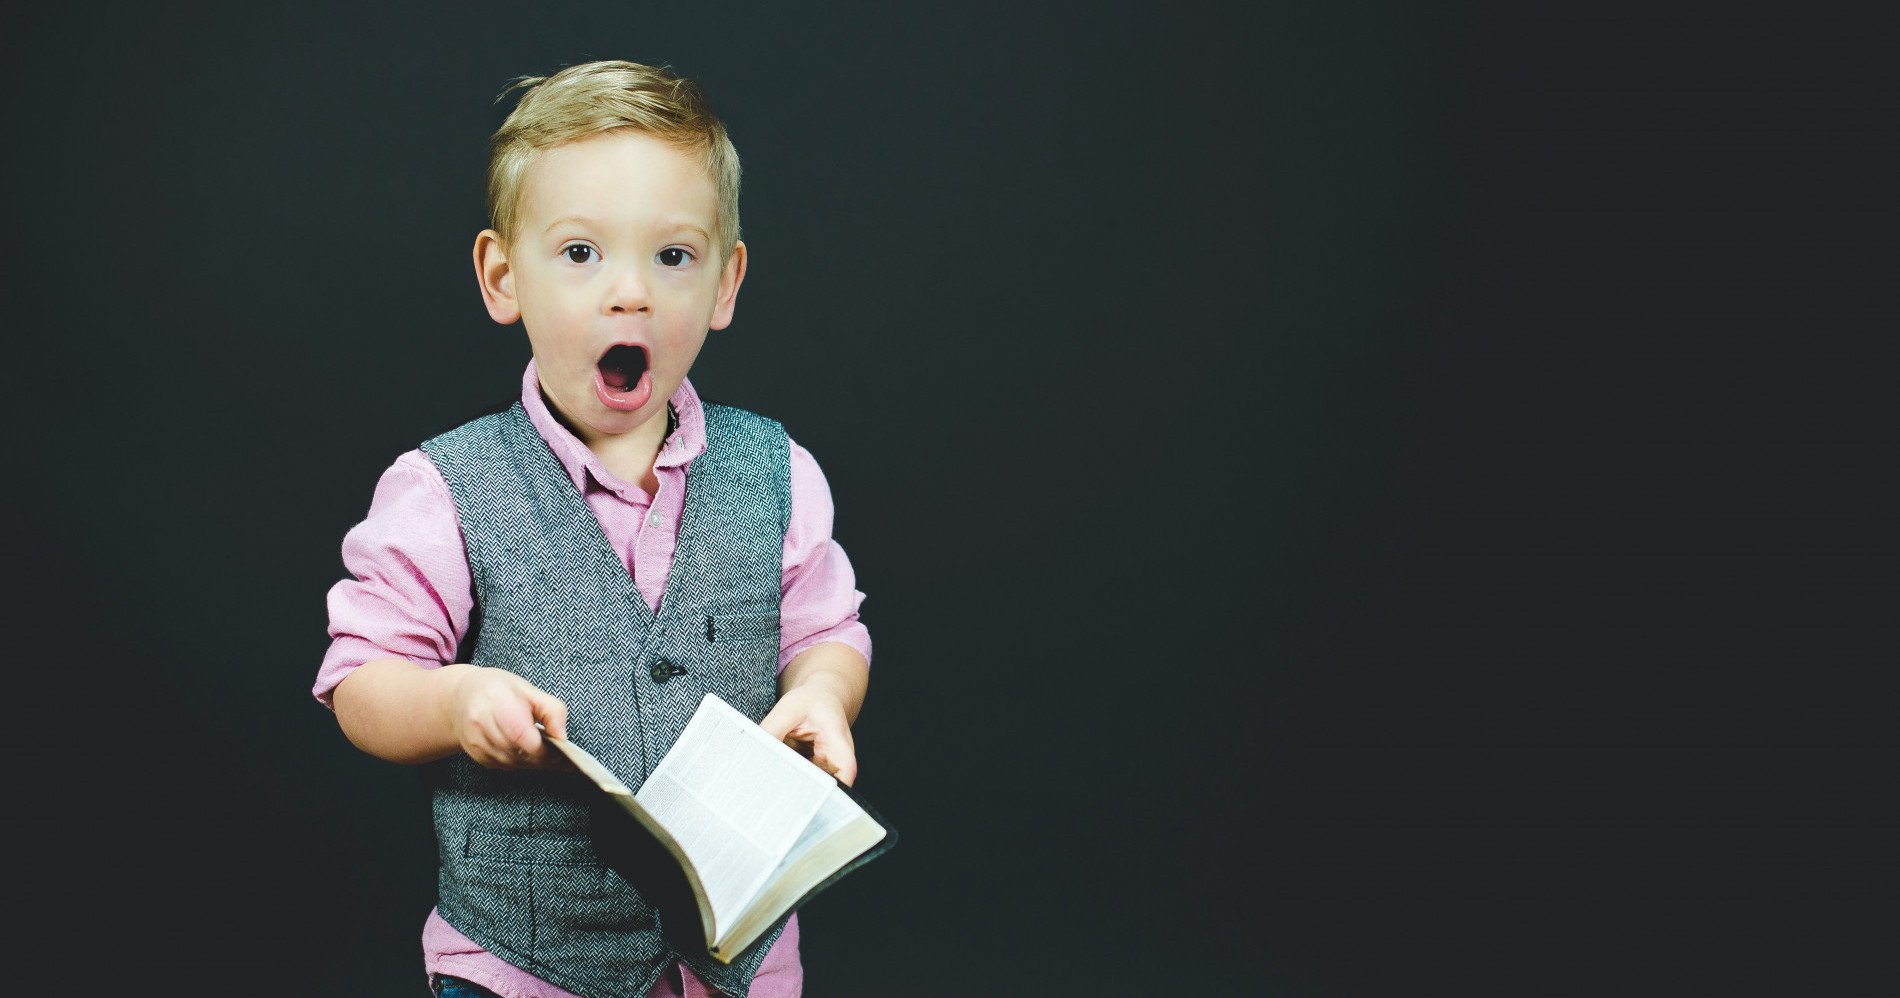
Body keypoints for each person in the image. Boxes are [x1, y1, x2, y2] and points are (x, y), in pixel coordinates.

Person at [312, 60, 872, 998]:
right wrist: (453, 702)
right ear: (502, 277)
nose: (630, 294)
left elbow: (828, 631)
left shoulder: (777, 473)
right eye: (580, 254)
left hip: (740, 961)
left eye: (673, 256)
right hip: (523, 967)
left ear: (725, 285)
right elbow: (359, 679)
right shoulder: (443, 489)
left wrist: (824, 693)